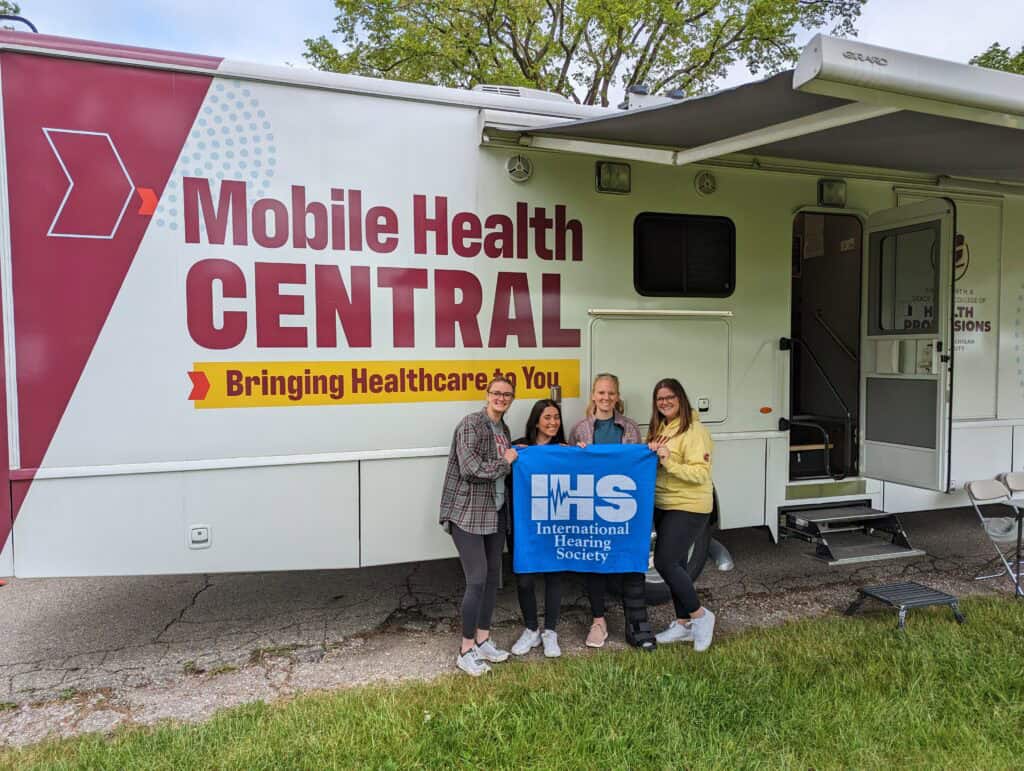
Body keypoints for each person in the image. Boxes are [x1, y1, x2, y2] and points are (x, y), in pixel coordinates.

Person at [567, 373, 656, 651]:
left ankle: (635, 623)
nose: (606, 398)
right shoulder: (580, 429)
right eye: (601, 393)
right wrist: (577, 453)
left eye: (611, 393)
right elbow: (570, 468)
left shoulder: (629, 428)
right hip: (592, 506)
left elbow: (638, 466)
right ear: (593, 395)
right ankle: (598, 621)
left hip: (624, 506)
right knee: (595, 563)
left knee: (629, 560)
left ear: (617, 397)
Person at [438, 376, 519, 676]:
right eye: (496, 393)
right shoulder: (472, 424)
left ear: (512, 399)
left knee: (492, 579)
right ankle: (465, 649)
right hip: (469, 513)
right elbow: (470, 468)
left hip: (495, 513)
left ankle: (483, 639)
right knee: (476, 580)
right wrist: (506, 462)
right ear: (487, 395)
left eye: (507, 394)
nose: (501, 398)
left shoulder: (504, 429)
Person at [646, 377, 717, 652]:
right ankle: (683, 624)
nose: (664, 402)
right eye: (660, 399)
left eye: (669, 397)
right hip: (665, 502)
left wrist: (667, 460)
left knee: (664, 562)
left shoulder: (695, 430)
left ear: (681, 399)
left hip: (689, 505)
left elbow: (700, 473)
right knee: (675, 563)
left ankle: (701, 617)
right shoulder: (662, 428)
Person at [508, 399, 566, 658]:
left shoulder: (565, 449)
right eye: (547, 417)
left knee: (555, 575)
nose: (553, 422)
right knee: (524, 579)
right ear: (536, 421)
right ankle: (531, 629)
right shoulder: (521, 447)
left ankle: (550, 631)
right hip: (525, 525)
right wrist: (510, 455)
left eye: (556, 417)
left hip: (555, 523)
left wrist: (582, 453)